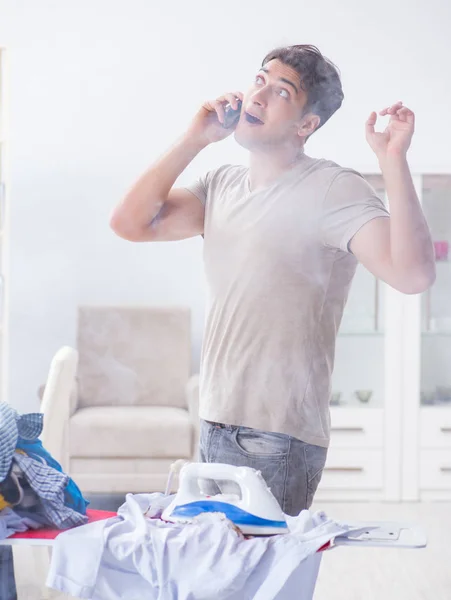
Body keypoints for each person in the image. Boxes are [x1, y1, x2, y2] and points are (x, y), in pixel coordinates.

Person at [110, 45, 435, 516]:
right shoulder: (220, 185)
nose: (258, 96)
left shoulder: (332, 188)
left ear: (307, 125)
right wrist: (193, 139)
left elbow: (413, 275)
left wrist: (392, 160)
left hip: (277, 436)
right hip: (215, 420)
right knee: (216, 582)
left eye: (281, 91)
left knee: (263, 587)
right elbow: (129, 223)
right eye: (259, 80)